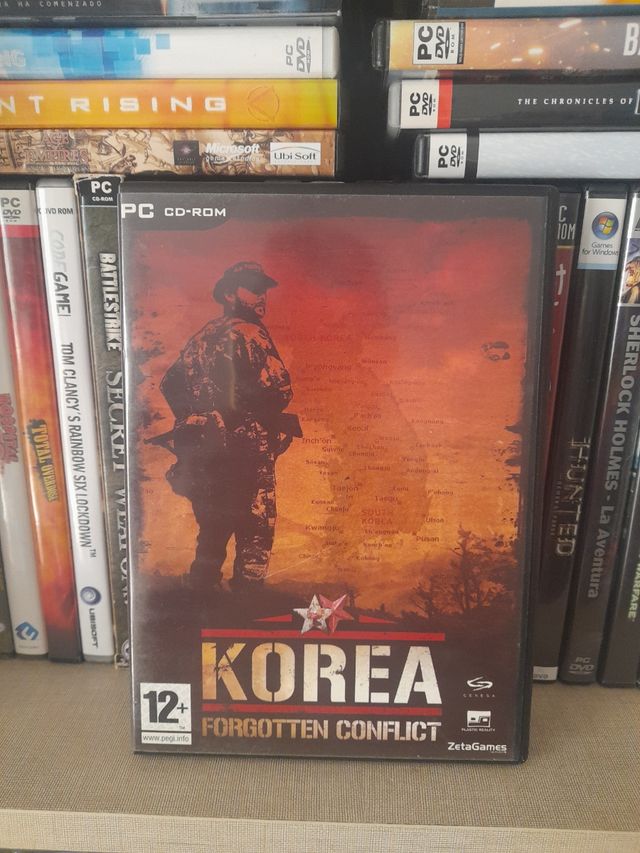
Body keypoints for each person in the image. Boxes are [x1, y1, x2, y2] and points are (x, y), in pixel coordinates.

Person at [158, 261, 300, 590]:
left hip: (208, 452)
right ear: (228, 294)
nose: (261, 296)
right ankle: (246, 605)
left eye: (263, 290)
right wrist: (252, 419)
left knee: (212, 527)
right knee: (255, 527)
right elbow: (280, 389)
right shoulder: (250, 332)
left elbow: (170, 383)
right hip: (248, 450)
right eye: (252, 288)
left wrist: (198, 419)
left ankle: (200, 598)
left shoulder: (202, 336)